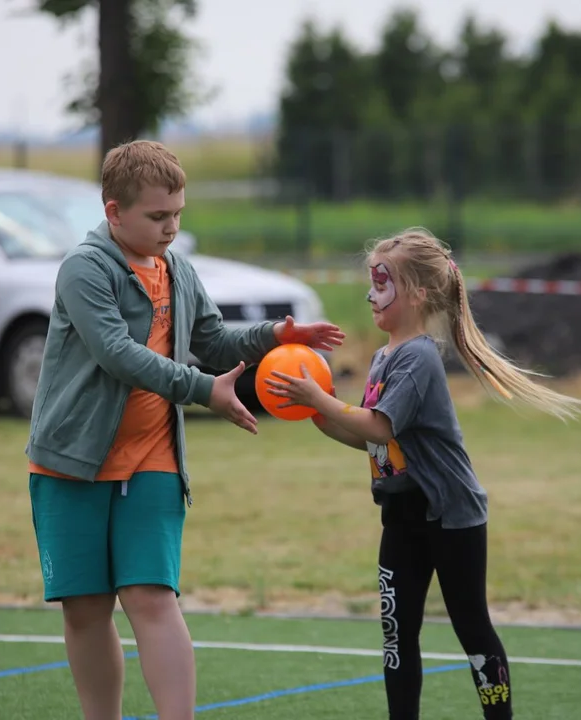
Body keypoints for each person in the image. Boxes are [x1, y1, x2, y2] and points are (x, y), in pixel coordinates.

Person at [24, 140, 344, 720]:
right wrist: (204, 390)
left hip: (154, 461)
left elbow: (215, 342)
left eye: (177, 214)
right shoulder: (84, 268)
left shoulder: (178, 269)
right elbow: (117, 354)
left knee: (151, 597)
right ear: (113, 210)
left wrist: (277, 336)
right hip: (72, 462)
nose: (171, 228)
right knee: (86, 609)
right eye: (157, 217)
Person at [265, 228, 581, 719]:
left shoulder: (418, 357)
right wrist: (316, 415)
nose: (371, 294)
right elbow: (371, 438)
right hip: (402, 516)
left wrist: (321, 400)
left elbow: (378, 423)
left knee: (471, 628)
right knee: (397, 633)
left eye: (382, 283)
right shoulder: (382, 357)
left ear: (418, 294)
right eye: (371, 283)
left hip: (450, 516)